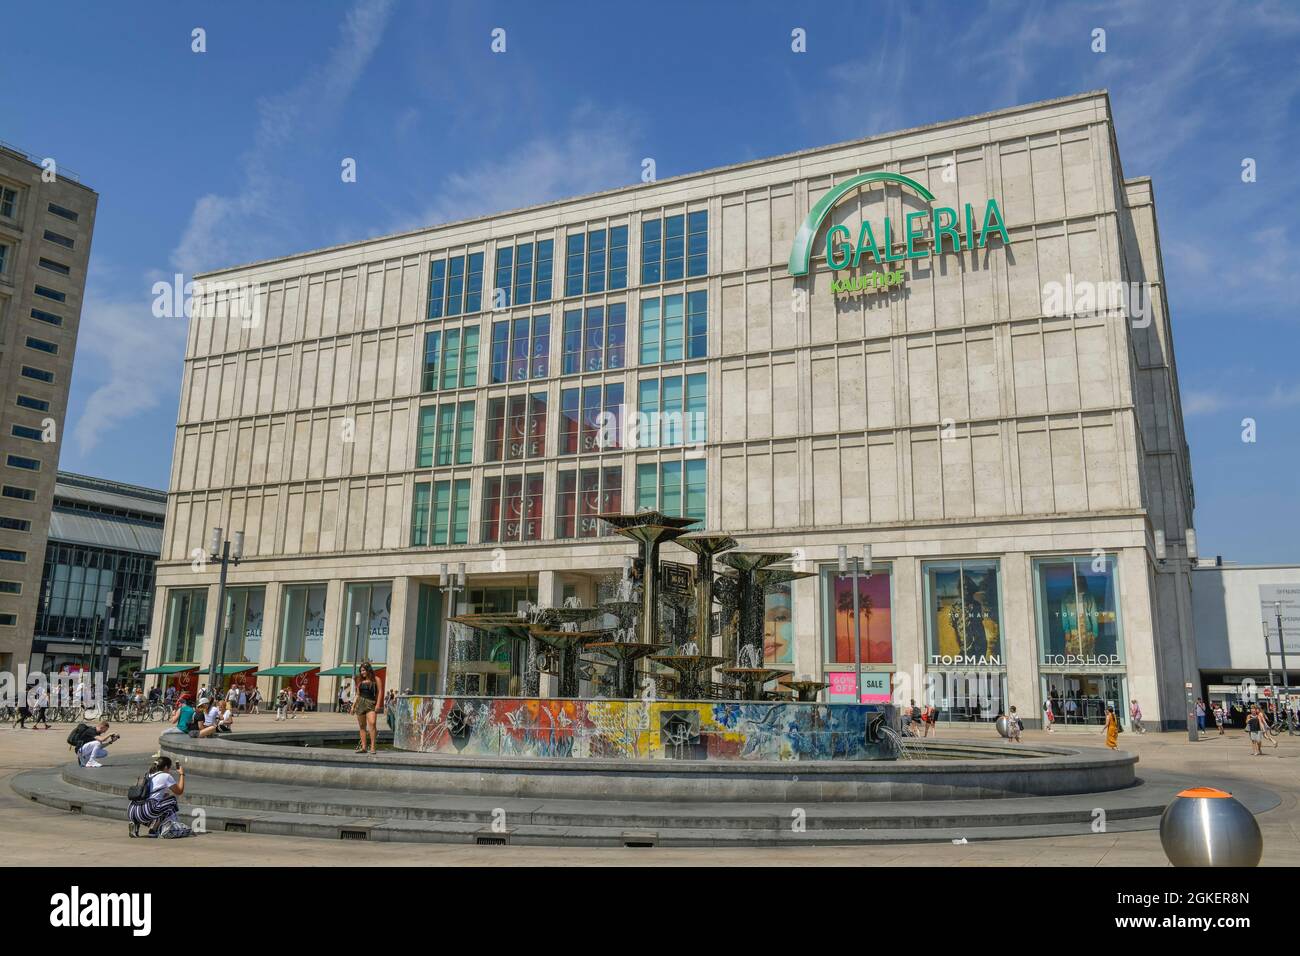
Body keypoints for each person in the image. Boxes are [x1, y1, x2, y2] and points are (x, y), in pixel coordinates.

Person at [127, 755, 191, 838]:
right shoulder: (166, 776)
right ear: (165, 767)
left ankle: (139, 825)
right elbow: (179, 791)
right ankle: (171, 826)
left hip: (132, 810)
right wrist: (181, 774)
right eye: (169, 768)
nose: (169, 770)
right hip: (146, 811)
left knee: (162, 801)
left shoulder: (148, 774)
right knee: (172, 801)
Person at [353, 662, 382, 755]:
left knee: (372, 723)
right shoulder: (359, 681)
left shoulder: (376, 679)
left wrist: (378, 704)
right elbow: (358, 694)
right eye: (361, 671)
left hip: (371, 703)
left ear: (369, 670)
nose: (362, 672)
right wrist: (353, 707)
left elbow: (380, 692)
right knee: (362, 726)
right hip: (360, 704)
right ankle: (364, 747)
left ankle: (373, 747)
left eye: (364, 670)